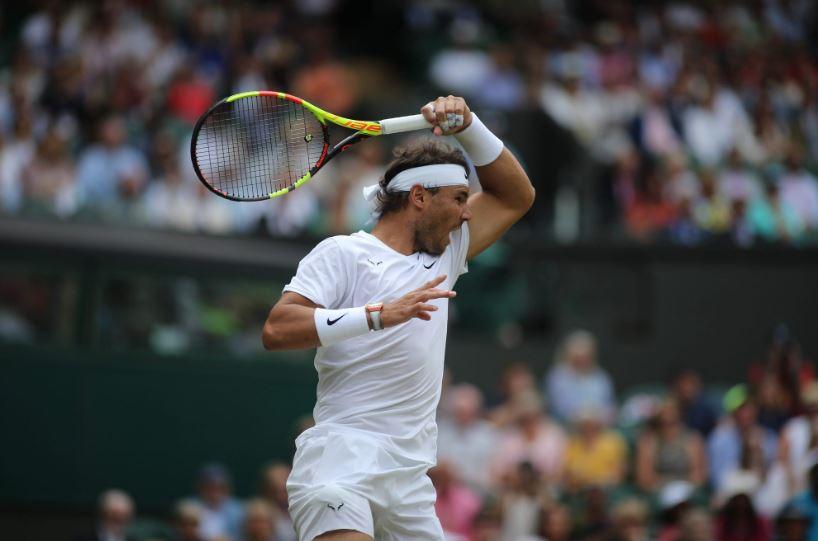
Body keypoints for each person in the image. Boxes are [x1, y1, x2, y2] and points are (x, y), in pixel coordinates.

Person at [261, 95, 535, 541]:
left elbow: (517, 195)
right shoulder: (343, 253)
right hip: (340, 464)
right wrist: (376, 316)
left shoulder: (449, 251)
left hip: (409, 482)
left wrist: (469, 127)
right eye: (460, 198)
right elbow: (276, 329)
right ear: (421, 198)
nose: (469, 211)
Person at [635, 398, 707, 494]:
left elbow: (699, 475)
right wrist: (666, 485)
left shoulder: (693, 439)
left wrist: (683, 486)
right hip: (658, 490)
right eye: (664, 423)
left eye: (673, 423)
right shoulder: (648, 441)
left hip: (687, 489)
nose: (669, 428)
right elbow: (644, 478)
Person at [436, 383, 498, 493]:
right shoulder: (441, 431)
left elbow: (492, 470)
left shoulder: (488, 434)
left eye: (466, 411)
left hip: (479, 491)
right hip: (445, 490)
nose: (462, 415)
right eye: (459, 411)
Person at [545, 330, 616, 424]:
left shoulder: (601, 377)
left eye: (585, 356)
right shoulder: (557, 376)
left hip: (598, 427)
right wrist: (583, 417)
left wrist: (596, 416)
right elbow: (559, 409)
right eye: (578, 357)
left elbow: (609, 406)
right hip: (567, 429)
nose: (582, 360)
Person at [192, 463, 244, 541]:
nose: (215, 492)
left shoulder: (238, 509)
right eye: (210, 487)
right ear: (201, 488)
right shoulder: (190, 507)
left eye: (220, 487)